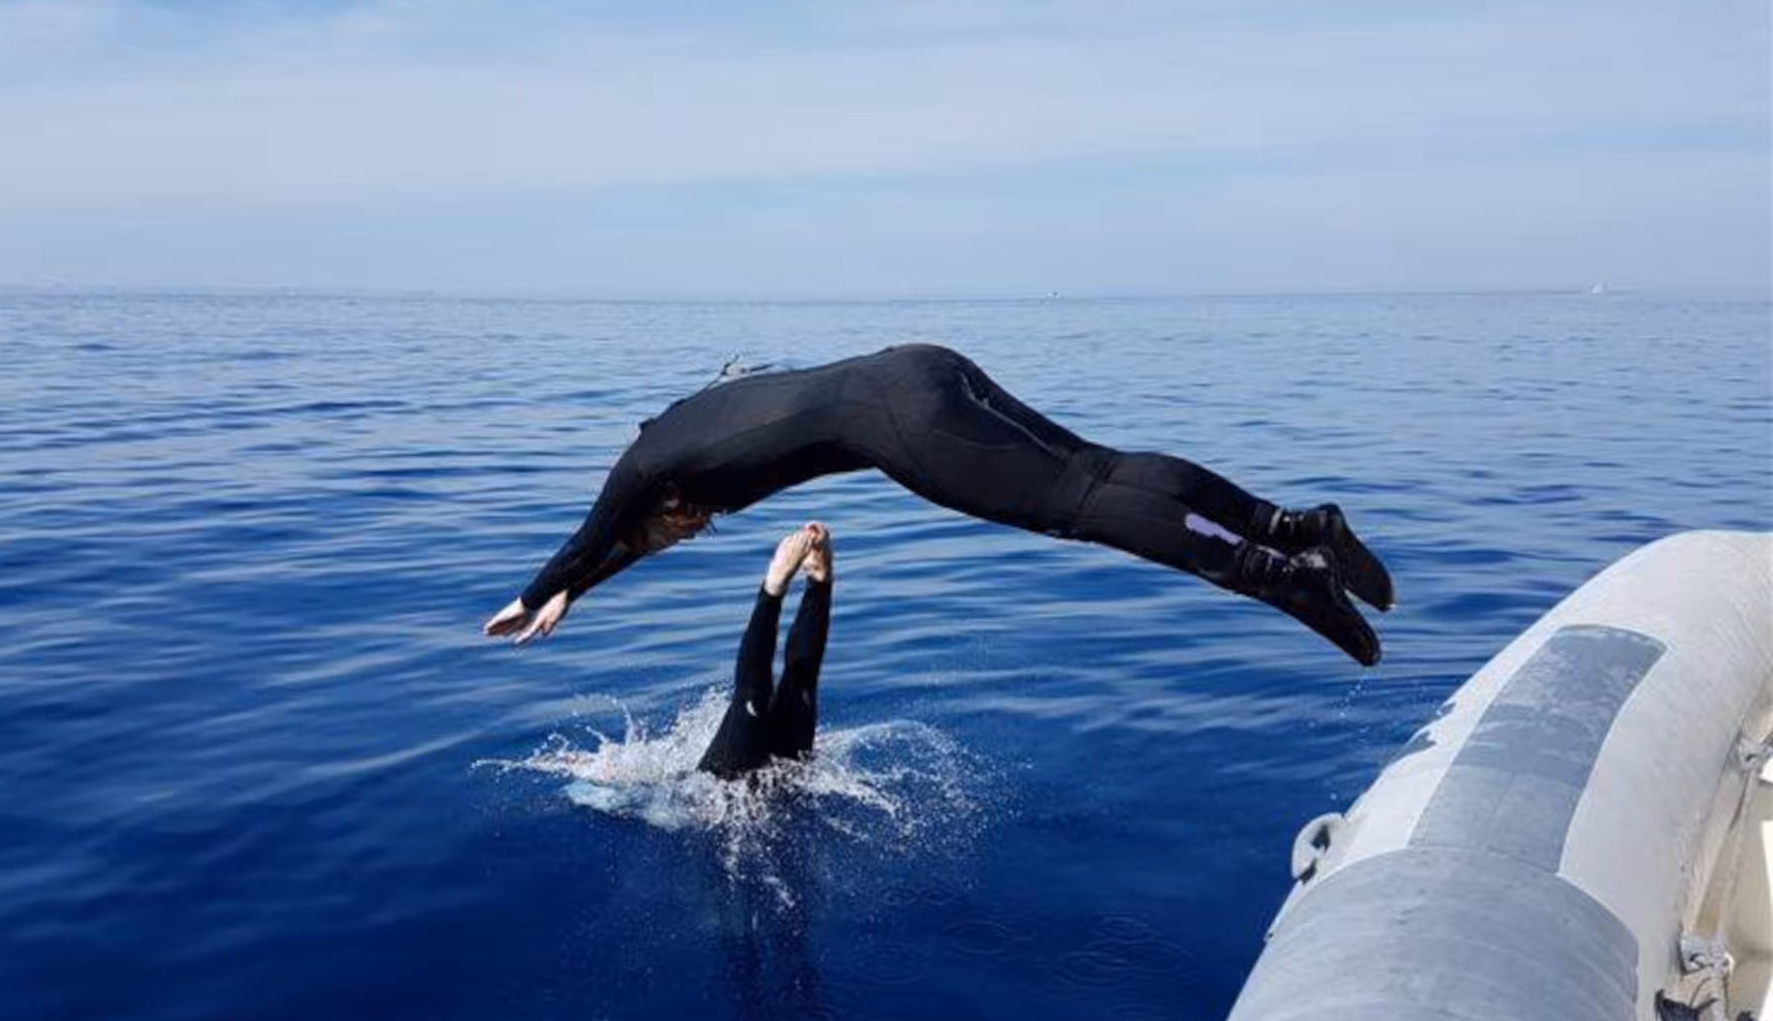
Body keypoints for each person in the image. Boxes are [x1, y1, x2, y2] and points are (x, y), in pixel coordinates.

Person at [484, 344, 1393, 665]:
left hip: (904, 422)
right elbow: (619, 544)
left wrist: (536, 593)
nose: (673, 535)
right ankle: (1295, 528)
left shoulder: (641, 467)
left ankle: (1280, 580)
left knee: (1077, 506)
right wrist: (585, 588)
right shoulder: (682, 427)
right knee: (1098, 467)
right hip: (922, 367)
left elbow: (597, 529)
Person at [696, 523, 833, 779]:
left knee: (779, 690)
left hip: (733, 787)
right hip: (776, 784)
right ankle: (809, 582)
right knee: (788, 686)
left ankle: (804, 583)